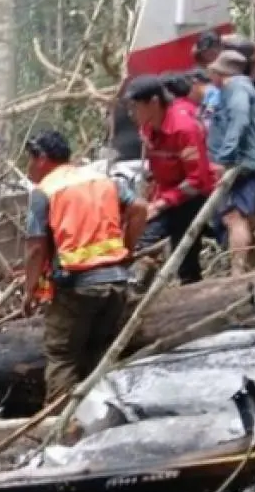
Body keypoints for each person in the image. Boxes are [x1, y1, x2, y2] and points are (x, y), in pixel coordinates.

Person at [21, 130, 148, 406]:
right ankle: (104, 421)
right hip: (116, 281)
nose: (28, 168)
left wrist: (29, 291)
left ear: (42, 158)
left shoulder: (45, 192)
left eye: (29, 160)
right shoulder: (103, 180)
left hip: (77, 285)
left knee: (62, 356)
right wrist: (126, 250)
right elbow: (139, 208)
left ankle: (61, 426)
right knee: (100, 354)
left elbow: (35, 248)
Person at [125, 74, 216, 285]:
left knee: (183, 252)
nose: (132, 113)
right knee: (142, 239)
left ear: (154, 102)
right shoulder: (147, 128)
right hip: (167, 193)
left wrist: (162, 203)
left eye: (136, 106)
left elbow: (197, 180)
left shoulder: (183, 128)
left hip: (192, 195)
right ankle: (139, 285)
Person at [207, 51, 255, 275]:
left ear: (220, 73)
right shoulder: (242, 88)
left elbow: (239, 118)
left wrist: (225, 156)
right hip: (250, 162)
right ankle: (251, 267)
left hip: (244, 164)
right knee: (247, 215)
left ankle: (238, 271)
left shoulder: (236, 88)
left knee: (234, 216)